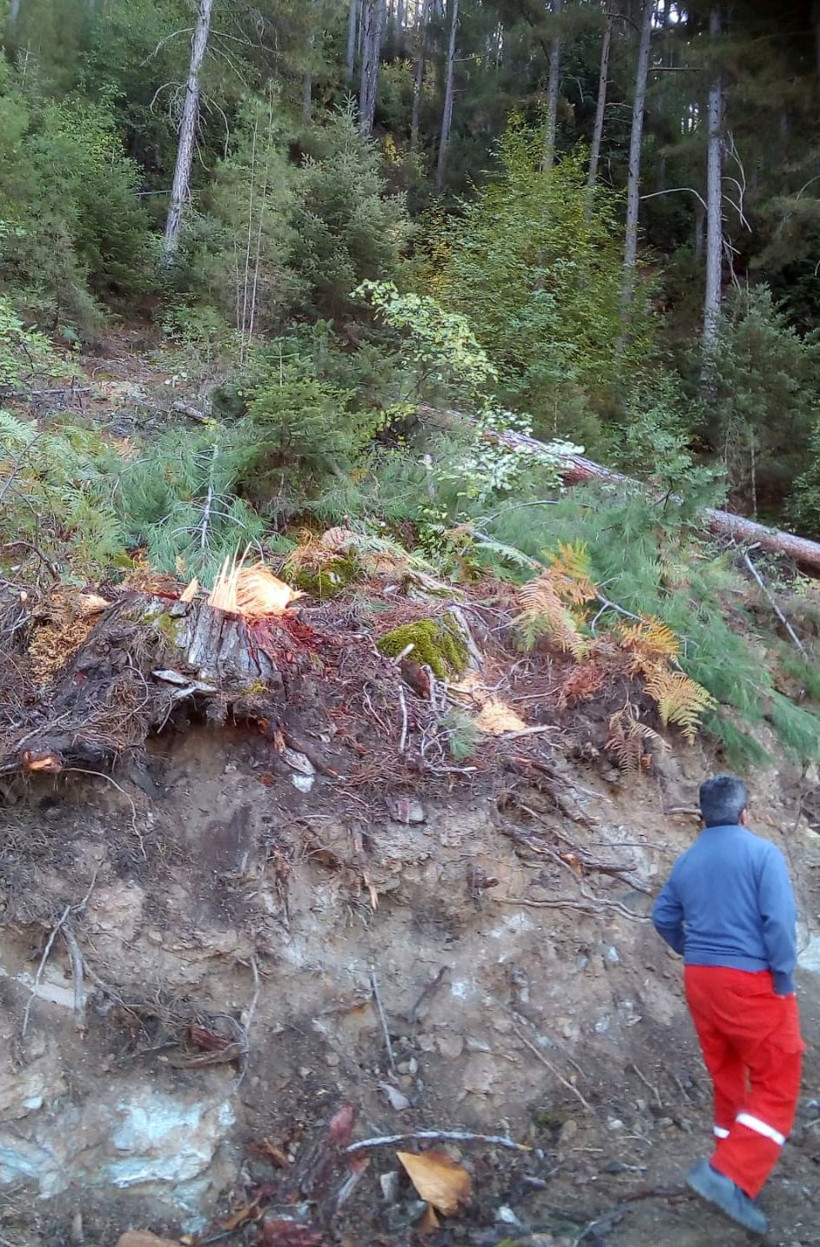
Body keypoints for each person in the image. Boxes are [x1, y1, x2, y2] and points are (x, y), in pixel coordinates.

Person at [652, 774, 804, 1236]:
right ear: (745, 813)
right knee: (779, 1078)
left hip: (701, 979)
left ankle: (731, 1165)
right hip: (752, 981)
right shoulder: (762, 854)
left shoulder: (687, 860)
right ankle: (729, 1175)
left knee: (727, 1072)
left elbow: (662, 917)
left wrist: (693, 951)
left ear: (703, 816)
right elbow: (778, 921)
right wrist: (782, 975)